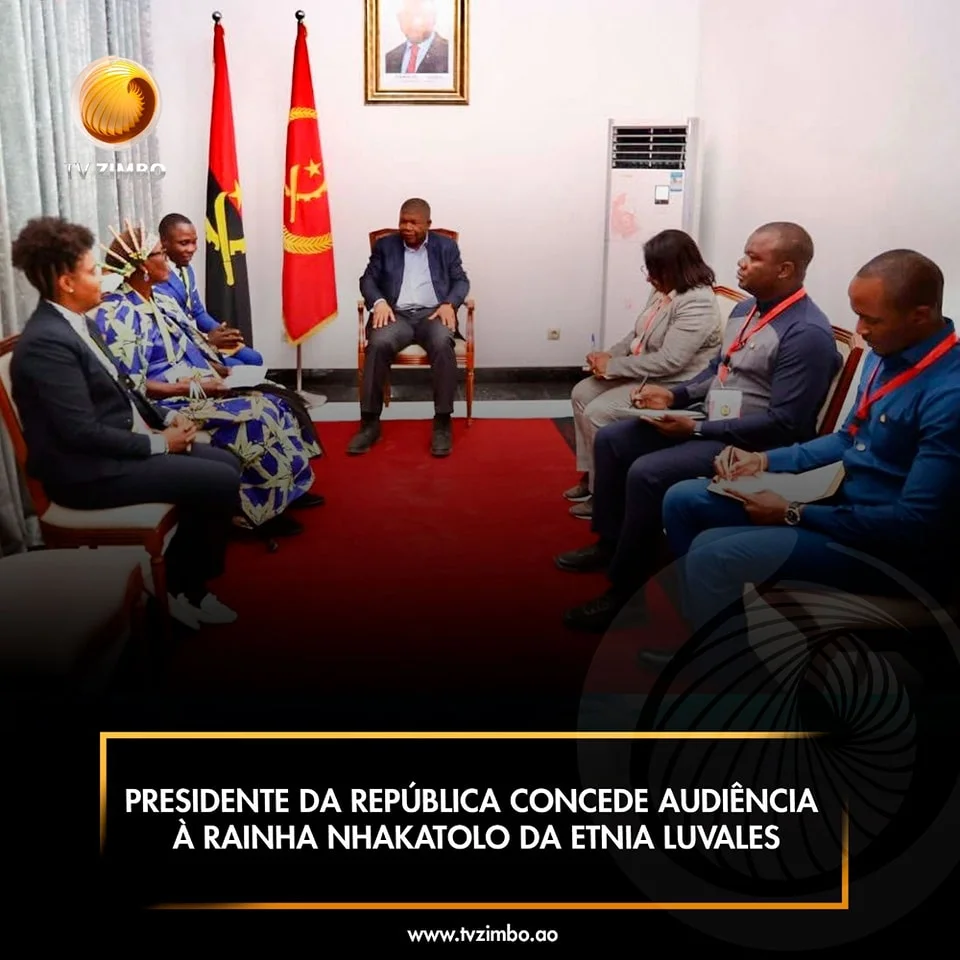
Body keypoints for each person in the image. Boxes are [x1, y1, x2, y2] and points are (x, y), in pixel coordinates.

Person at [659, 249, 960, 640]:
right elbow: (847, 438)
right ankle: (706, 638)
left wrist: (793, 512)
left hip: (890, 551)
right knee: (682, 499)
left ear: (920, 315)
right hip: (841, 504)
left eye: (871, 320)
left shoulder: (948, 394)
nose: (860, 331)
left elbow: (914, 525)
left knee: (713, 553)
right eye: (857, 315)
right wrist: (763, 461)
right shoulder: (886, 353)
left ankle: (728, 667)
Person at [555, 222, 842, 632]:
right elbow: (715, 369)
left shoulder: (806, 333)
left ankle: (626, 594)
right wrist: (674, 396)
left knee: (648, 473)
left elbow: (786, 423)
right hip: (711, 421)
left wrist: (694, 431)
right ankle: (612, 543)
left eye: (754, 258)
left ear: (785, 270)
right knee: (614, 440)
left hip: (749, 443)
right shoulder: (746, 310)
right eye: (744, 253)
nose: (740, 264)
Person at [10, 216, 242, 631]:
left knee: (227, 463)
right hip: (85, 474)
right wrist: (161, 444)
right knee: (218, 481)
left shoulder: (77, 322)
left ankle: (177, 581)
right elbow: (80, 433)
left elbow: (126, 389)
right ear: (66, 283)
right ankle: (185, 589)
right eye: (91, 271)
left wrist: (166, 420)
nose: (103, 277)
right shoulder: (46, 344)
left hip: (116, 447)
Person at [95, 224, 323, 538]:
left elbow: (188, 344)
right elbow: (133, 387)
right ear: (142, 266)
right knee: (256, 416)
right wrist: (193, 387)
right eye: (160, 253)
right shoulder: (118, 314)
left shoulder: (159, 299)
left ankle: (289, 489)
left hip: (195, 383)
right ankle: (252, 513)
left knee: (276, 400)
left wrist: (216, 369)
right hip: (165, 402)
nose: (167, 258)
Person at [565, 229, 723, 519]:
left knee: (599, 412)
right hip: (647, 371)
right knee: (582, 392)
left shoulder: (697, 302)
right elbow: (638, 335)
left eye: (654, 270)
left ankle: (605, 496)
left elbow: (670, 362)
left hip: (673, 383)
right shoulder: (664, 288)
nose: (649, 278)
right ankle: (591, 475)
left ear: (675, 268)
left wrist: (613, 367)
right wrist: (608, 356)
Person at [351, 197, 470, 457]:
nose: (407, 227)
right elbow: (367, 279)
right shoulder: (385, 246)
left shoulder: (446, 246)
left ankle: (442, 422)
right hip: (397, 316)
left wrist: (449, 304)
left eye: (414, 223)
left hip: (432, 314)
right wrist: (379, 302)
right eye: (403, 221)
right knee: (378, 344)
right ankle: (369, 423)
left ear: (428, 223)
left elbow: (461, 280)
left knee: (442, 342)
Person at [153, 213, 264, 368]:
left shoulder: (187, 269)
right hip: (181, 346)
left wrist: (222, 332)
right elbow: (167, 331)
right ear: (164, 242)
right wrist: (206, 340)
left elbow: (197, 312)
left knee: (255, 358)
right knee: (239, 366)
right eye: (184, 243)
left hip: (200, 337)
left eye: (194, 242)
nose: (192, 249)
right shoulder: (156, 277)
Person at [384, 0, 450, 74]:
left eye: (420, 15)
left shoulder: (451, 54)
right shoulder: (389, 59)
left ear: (434, 18)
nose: (414, 22)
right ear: (399, 19)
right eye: (407, 15)